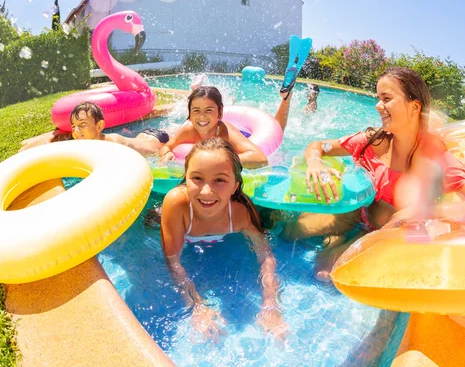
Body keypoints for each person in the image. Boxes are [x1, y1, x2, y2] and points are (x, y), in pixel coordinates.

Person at [284, 67, 465, 280]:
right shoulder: (372, 142)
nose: (378, 106)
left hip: (384, 235)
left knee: (329, 274)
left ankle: (343, 241)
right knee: (290, 233)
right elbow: (319, 146)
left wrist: (423, 211)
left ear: (414, 107)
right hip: (356, 215)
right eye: (378, 98)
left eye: (386, 99)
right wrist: (314, 163)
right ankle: (337, 236)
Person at [160, 137, 288, 343]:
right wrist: (196, 306)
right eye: (197, 178)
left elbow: (265, 255)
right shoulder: (177, 204)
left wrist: (270, 304)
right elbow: (173, 261)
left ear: (235, 186)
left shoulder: (239, 213)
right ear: (186, 178)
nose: (206, 191)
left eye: (219, 180)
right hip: (184, 238)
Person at [158, 85, 294, 168]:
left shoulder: (227, 133)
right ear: (190, 114)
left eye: (209, 110)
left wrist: (218, 160)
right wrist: (167, 153)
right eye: (196, 111)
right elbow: (167, 146)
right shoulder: (188, 130)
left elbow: (260, 159)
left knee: (276, 129)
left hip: (244, 136)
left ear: (220, 112)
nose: (202, 116)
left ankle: (285, 100)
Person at [19, 102, 169, 156]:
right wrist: (51, 137)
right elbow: (25, 152)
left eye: (83, 124)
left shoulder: (113, 144)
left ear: (99, 126)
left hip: (158, 140)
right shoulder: (87, 141)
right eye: (74, 127)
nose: (76, 131)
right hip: (142, 136)